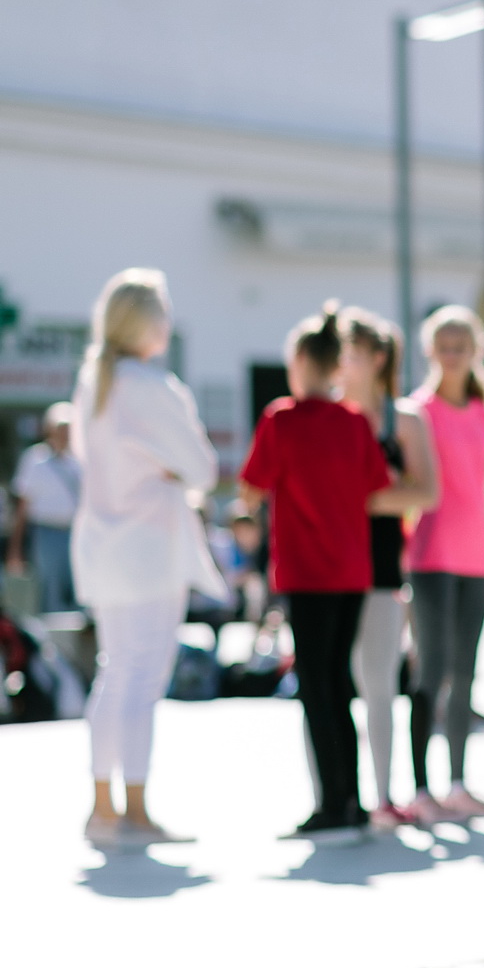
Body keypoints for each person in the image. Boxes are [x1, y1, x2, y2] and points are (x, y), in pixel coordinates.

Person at [70, 269, 228, 849]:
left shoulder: (94, 384)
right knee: (141, 678)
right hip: (150, 551)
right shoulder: (153, 387)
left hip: (103, 549)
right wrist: (171, 470)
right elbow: (205, 470)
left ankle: (103, 805)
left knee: (115, 673)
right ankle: (135, 809)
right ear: (145, 322)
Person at [239, 305, 391, 839]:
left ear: (302, 361)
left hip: (307, 572)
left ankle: (333, 802)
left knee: (317, 688)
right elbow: (377, 486)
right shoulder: (353, 421)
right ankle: (351, 799)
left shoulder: (281, 419)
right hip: (351, 570)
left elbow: (251, 486)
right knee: (338, 684)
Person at [335, 308, 440, 831]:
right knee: (334, 689)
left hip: (379, 570)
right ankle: (338, 796)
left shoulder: (405, 421)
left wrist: (368, 498)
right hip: (327, 570)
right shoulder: (326, 416)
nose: (341, 363)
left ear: (377, 358)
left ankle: (382, 794)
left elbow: (427, 492)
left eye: (351, 352)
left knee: (379, 685)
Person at [405, 307, 484, 825]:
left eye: (461, 345)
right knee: (431, 670)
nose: (452, 355)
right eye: (443, 345)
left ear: (476, 350)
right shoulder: (418, 411)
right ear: (430, 351)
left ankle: (459, 784)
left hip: (477, 558)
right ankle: (420, 788)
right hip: (430, 556)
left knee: (466, 674)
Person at [7, 403, 81, 613]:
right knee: (50, 590)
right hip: (46, 533)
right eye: (60, 427)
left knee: (77, 589)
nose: (65, 433)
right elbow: (23, 506)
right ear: (49, 428)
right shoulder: (35, 459)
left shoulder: (79, 460)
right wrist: (16, 548)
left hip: (76, 532)